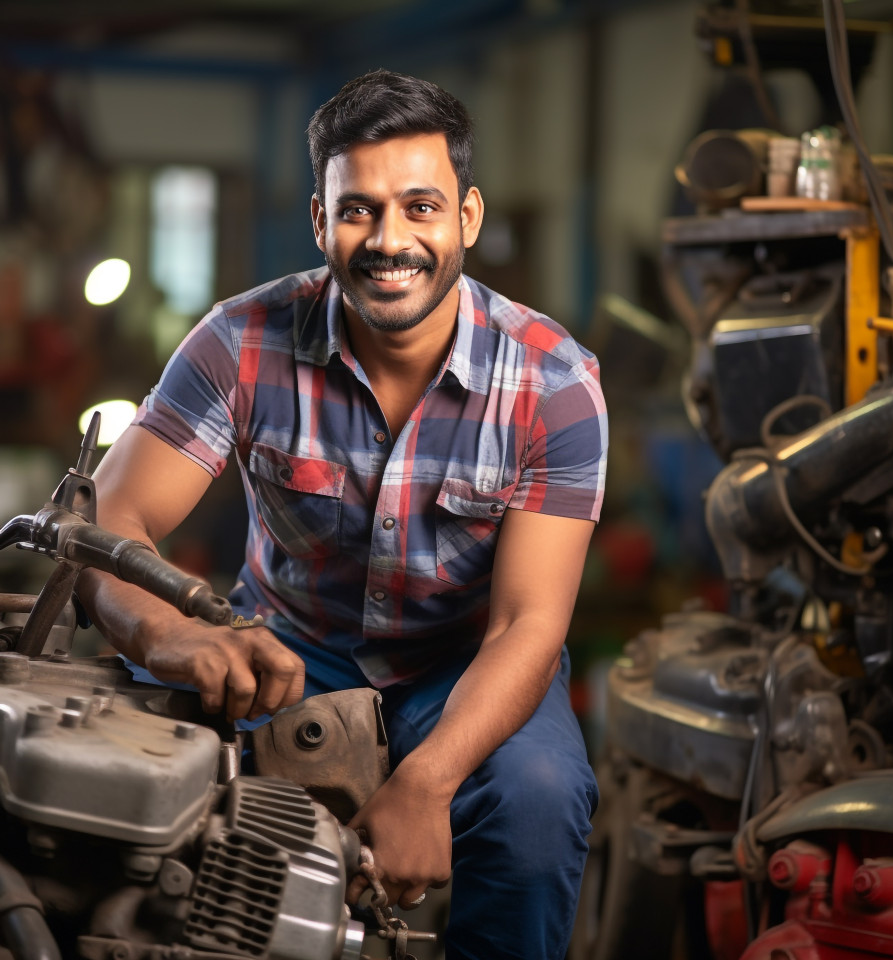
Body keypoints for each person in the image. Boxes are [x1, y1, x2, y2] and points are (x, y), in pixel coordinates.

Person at [77, 69, 607, 960]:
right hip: (286, 651)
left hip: (465, 660)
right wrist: (171, 638)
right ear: (320, 221)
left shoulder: (554, 384)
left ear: (467, 218)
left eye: (421, 207)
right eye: (358, 210)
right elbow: (111, 523)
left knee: (540, 796)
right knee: (171, 808)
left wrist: (430, 781)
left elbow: (529, 622)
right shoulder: (239, 343)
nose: (389, 240)